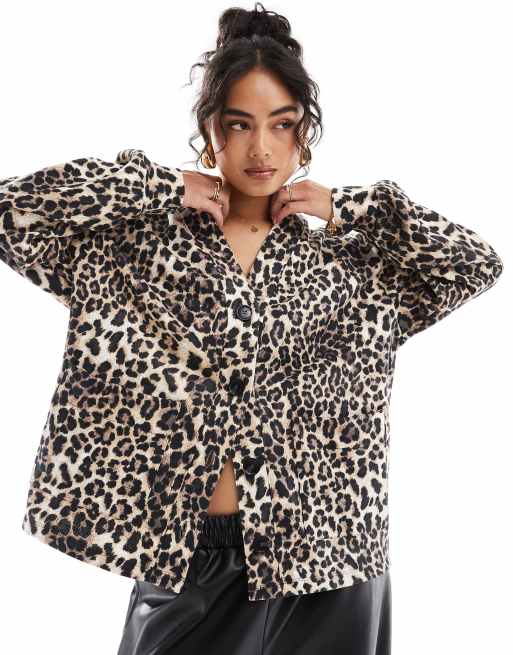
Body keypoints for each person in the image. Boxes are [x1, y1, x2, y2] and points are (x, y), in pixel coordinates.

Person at [0, 3, 502, 655]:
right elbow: (11, 213)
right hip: (189, 558)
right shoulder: (138, 251)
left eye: (280, 124)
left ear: (302, 133)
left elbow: (474, 263)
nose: (260, 148)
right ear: (209, 130)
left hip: (328, 555)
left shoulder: (350, 265)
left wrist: (351, 206)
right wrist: (154, 185)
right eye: (238, 124)